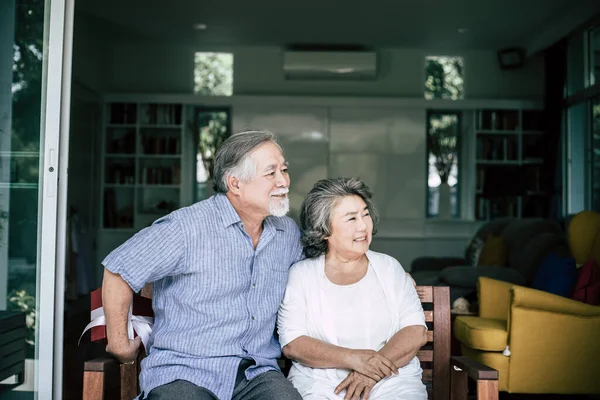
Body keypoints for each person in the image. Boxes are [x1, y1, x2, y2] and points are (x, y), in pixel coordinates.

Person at [102, 130, 304, 400]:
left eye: (284, 169)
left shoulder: (287, 233)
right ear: (235, 184)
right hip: (184, 372)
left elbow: (316, 281)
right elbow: (119, 269)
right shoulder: (186, 228)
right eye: (271, 173)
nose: (284, 181)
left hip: (256, 374)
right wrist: (119, 343)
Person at [277, 178, 428, 400]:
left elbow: (416, 331)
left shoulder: (389, 268)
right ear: (324, 230)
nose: (363, 225)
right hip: (321, 384)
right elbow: (293, 344)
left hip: (391, 381)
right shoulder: (301, 275)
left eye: (365, 214)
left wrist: (369, 373)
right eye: (351, 218)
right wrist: (355, 359)